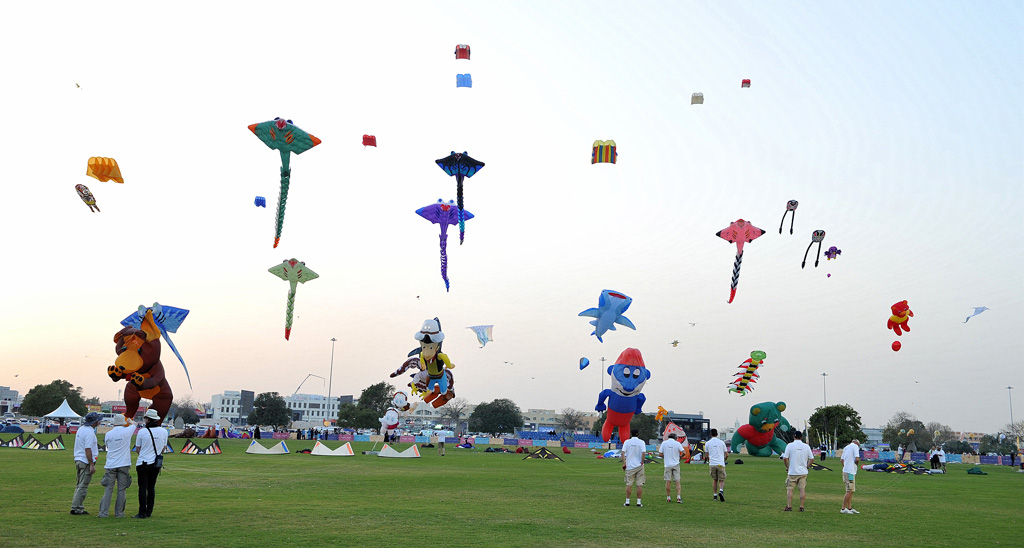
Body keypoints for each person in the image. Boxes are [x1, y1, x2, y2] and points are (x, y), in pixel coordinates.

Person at [98, 415, 137, 518]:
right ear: (123, 423)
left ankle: (103, 512)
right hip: (124, 464)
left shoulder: (108, 434)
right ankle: (119, 513)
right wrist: (130, 421)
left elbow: (107, 445)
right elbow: (135, 425)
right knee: (121, 490)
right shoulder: (127, 431)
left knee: (108, 489)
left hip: (111, 464)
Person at [133, 409, 168, 519]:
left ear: (148, 419)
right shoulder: (164, 431)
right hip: (155, 464)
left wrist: (144, 453)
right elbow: (163, 448)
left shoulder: (142, 432)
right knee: (151, 487)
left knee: (142, 488)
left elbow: (137, 448)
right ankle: (149, 511)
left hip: (143, 462)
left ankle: (142, 512)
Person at [70, 412, 102, 515]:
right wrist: (91, 464)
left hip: (79, 459)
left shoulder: (81, 429)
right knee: (83, 486)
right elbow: (88, 449)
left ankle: (77, 506)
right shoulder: (89, 432)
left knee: (79, 485)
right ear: (95, 422)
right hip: (85, 461)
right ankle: (76, 508)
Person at [782, 430, 814, 512]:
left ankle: (789, 506)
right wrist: (807, 466)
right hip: (803, 472)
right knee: (802, 489)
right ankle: (801, 506)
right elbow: (812, 458)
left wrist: (787, 467)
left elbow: (785, 458)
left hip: (792, 471)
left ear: (793, 437)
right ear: (801, 437)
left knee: (790, 489)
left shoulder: (790, 445)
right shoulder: (806, 446)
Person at [620, 429, 646, 507]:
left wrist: (624, 463)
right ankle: (638, 502)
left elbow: (623, 453)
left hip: (630, 466)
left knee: (629, 484)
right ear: (638, 434)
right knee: (639, 484)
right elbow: (643, 453)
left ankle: (627, 501)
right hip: (639, 465)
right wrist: (642, 461)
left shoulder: (627, 442)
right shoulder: (641, 442)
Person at [658, 433, 684, 503]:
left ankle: (668, 497)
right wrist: (680, 457)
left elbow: (660, 454)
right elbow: (684, 452)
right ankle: (678, 497)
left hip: (667, 465)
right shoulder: (677, 443)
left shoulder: (664, 443)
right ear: (675, 438)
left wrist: (665, 456)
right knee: (677, 482)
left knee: (668, 481)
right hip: (676, 464)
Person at [705, 429, 728, 502]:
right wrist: (724, 459)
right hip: (720, 463)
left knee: (714, 479)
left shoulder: (708, 443)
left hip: (712, 463)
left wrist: (709, 460)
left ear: (710, 434)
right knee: (721, 479)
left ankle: (715, 496)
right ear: (717, 434)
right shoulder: (721, 442)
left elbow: (706, 455)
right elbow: (727, 454)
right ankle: (721, 491)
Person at [840, 438, 861, 514]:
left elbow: (841, 460)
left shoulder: (846, 447)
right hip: (850, 472)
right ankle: (843, 508)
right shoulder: (855, 447)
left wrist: (846, 466)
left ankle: (849, 507)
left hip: (845, 471)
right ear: (857, 444)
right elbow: (857, 459)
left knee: (849, 490)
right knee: (850, 490)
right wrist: (855, 466)